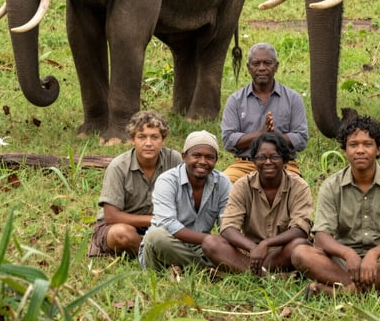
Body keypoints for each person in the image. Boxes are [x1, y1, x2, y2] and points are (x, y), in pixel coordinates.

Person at [292, 114, 380, 296]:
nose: (360, 150)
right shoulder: (331, 185)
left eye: (367, 144)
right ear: (345, 150)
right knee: (300, 253)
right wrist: (347, 254)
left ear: (378, 149)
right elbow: (322, 237)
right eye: (353, 145)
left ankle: (341, 292)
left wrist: (374, 254)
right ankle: (376, 291)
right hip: (343, 263)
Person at [202, 132, 313, 274]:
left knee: (300, 245)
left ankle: (246, 272)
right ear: (253, 161)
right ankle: (269, 276)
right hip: (249, 252)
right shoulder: (243, 185)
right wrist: (253, 248)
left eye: (274, 157)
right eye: (261, 157)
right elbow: (228, 227)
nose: (268, 162)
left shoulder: (298, 186)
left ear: (285, 161)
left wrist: (266, 244)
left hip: (281, 251)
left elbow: (300, 230)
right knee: (210, 243)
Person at [88, 110, 182, 258]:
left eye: (155, 137)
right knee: (123, 235)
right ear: (132, 140)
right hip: (121, 225)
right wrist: (154, 220)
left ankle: (156, 251)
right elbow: (111, 216)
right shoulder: (118, 166)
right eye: (142, 137)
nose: (148, 143)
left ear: (163, 140)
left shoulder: (174, 160)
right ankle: (157, 257)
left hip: (162, 226)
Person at [139, 130, 231, 271]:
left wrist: (226, 243)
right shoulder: (167, 180)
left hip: (199, 247)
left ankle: (178, 268)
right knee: (155, 236)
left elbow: (226, 222)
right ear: (184, 157)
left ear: (216, 161)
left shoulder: (222, 182)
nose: (202, 162)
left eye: (209, 157)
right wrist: (208, 239)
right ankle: (207, 270)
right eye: (196, 155)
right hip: (168, 244)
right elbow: (168, 223)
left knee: (228, 246)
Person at [221, 43, 308, 184]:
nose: (261, 68)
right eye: (256, 63)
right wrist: (260, 134)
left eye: (267, 63)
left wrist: (274, 138)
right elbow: (228, 140)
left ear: (276, 66)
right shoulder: (235, 100)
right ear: (249, 68)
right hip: (245, 164)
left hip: (283, 164)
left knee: (297, 186)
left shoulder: (293, 98)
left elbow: (301, 138)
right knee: (224, 184)